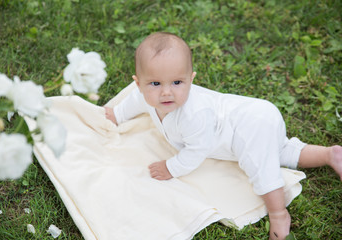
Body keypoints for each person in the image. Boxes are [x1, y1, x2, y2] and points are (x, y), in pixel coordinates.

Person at [104, 32, 342, 239]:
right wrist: (117, 114)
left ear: (191, 79)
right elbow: (134, 102)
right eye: (155, 83)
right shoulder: (144, 96)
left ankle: (279, 214)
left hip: (248, 125)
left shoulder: (194, 114)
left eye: (177, 82)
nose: (166, 92)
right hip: (256, 117)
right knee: (280, 152)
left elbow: (196, 151)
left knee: (261, 168)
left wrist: (171, 167)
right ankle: (330, 155)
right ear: (139, 84)